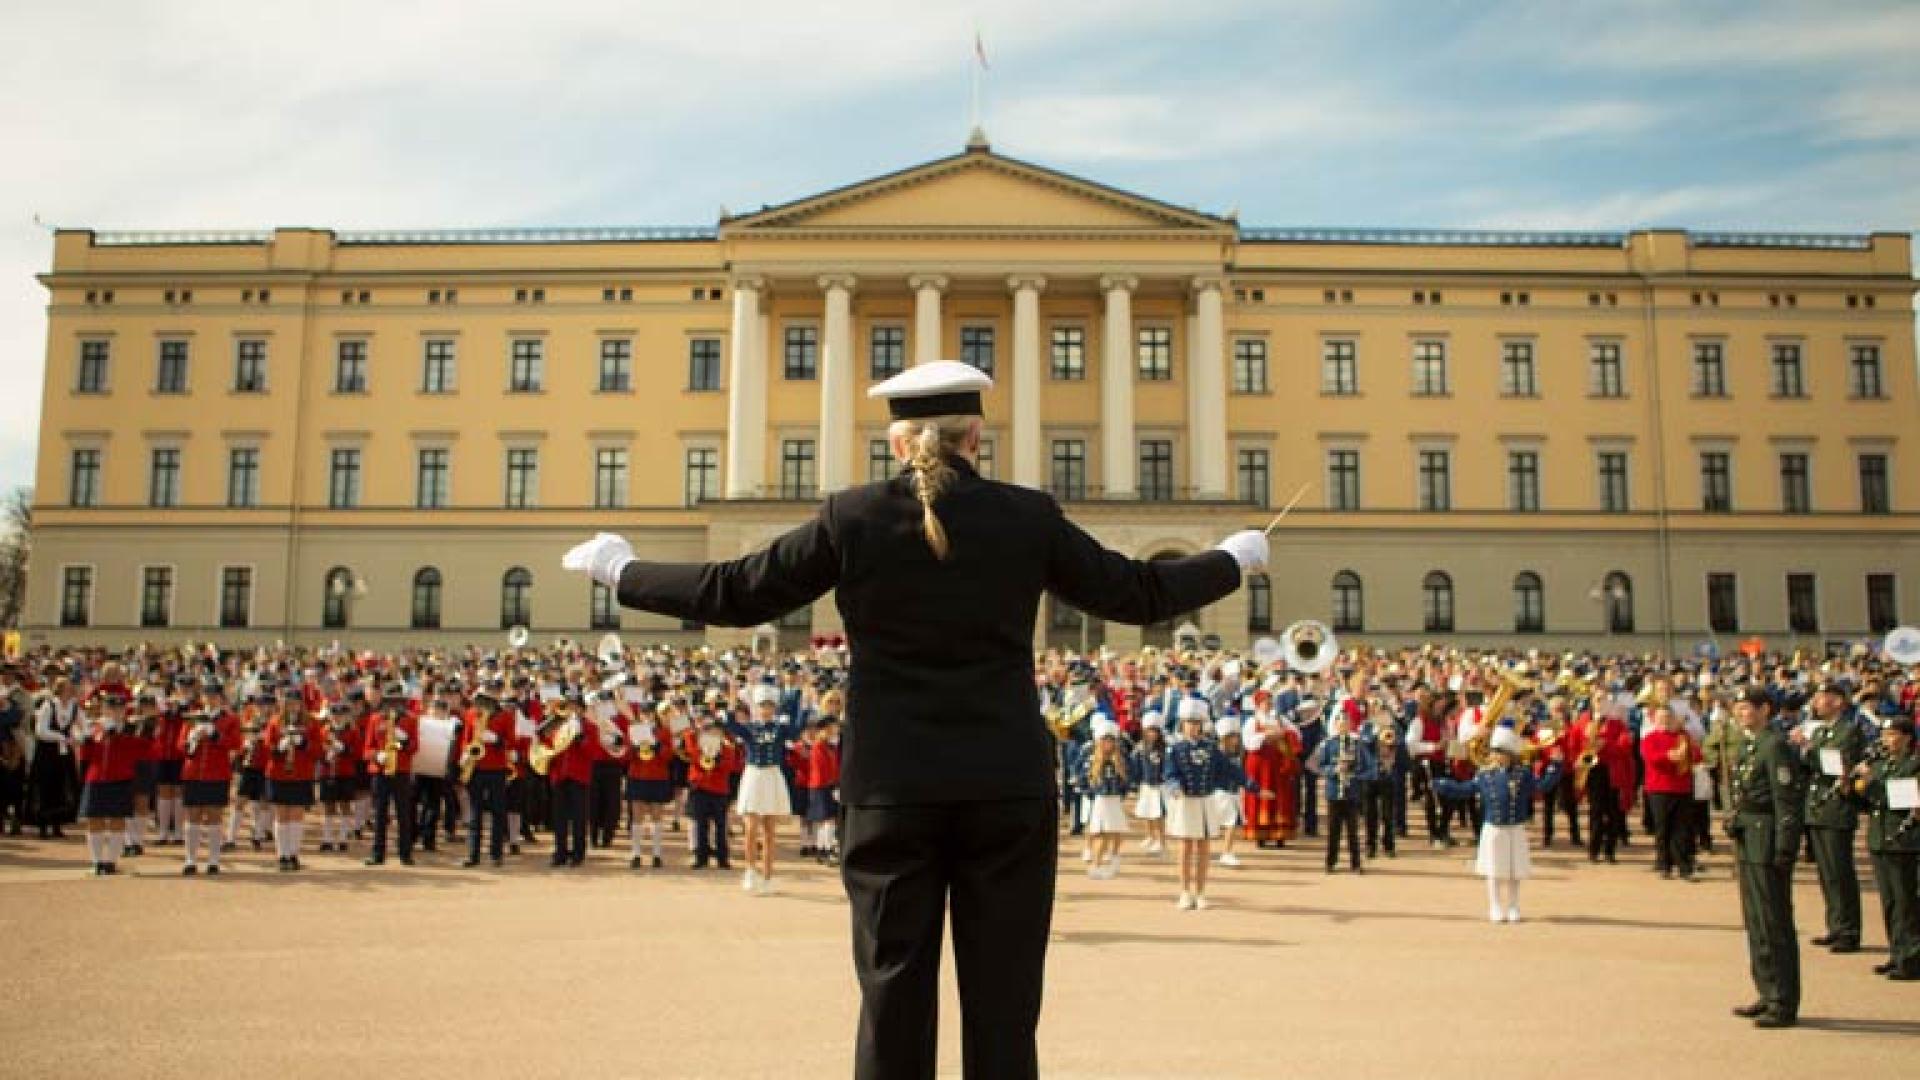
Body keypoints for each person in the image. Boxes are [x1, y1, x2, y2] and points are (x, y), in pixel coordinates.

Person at [562, 360, 1259, 1080]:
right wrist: (1231, 561)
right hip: (1005, 787)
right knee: (1003, 1010)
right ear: (976, 437)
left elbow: (735, 592)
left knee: (892, 1001)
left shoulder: (851, 517)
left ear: (896, 443)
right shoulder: (1027, 516)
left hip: (891, 791)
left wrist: (624, 572)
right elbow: (1139, 592)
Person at [1726, 686, 1806, 1029]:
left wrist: (1786, 846)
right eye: (1738, 707)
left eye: (1747, 707)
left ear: (1765, 710)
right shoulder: (1750, 744)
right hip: (1750, 838)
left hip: (1768, 840)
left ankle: (1783, 1000)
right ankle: (1767, 989)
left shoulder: (1774, 746)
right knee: (1756, 921)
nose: (1741, 713)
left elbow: (1785, 801)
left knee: (1774, 922)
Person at [1433, 726, 1537, 922]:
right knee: (1494, 870)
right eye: (1495, 752)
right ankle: (1495, 906)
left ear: (1510, 754)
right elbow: (1466, 789)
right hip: (1494, 828)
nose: (1497, 756)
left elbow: (1540, 786)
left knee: (1515, 871)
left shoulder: (1523, 774)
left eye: (1501, 752)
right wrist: (1443, 785)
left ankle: (1513, 905)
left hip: (1515, 827)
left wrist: (1555, 767)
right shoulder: (1485, 775)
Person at [1794, 681, 1866, 954]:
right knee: (1826, 873)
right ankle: (1836, 925)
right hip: (1818, 808)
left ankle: (1848, 930)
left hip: (1837, 808)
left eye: (1822, 697)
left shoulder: (1848, 731)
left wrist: (1808, 747)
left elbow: (1836, 765)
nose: (1817, 702)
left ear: (1838, 701)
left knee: (1840, 872)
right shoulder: (1822, 731)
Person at [1850, 711, 1919, 980]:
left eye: (1892, 735)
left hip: (1903, 840)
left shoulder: (1912, 765)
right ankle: (1896, 952)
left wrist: (1871, 782)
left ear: (1907, 738)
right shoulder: (1880, 765)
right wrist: (1854, 785)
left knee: (1905, 902)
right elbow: (1866, 802)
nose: (1887, 740)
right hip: (1880, 838)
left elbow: (1902, 799)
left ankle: (1910, 958)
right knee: (1889, 902)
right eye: (1885, 735)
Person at [728, 682, 804, 895]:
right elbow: (731, 725)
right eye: (762, 705)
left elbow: (796, 731)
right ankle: (750, 871)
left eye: (770, 705)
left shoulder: (780, 728)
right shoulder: (750, 728)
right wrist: (732, 699)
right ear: (756, 707)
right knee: (751, 828)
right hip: (754, 775)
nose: (766, 709)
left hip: (772, 776)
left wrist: (805, 704)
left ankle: (768, 876)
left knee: (769, 831)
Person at [1641, 705, 1701, 880]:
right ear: (1654, 720)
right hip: (1659, 789)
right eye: (1661, 718)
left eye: (1668, 717)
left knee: (1682, 829)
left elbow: (1698, 756)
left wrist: (1687, 750)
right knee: (1662, 829)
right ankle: (1664, 865)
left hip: (1682, 788)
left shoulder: (1683, 737)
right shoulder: (1649, 738)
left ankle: (1684, 867)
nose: (1665, 721)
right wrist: (1669, 755)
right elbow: (1651, 758)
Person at [363, 683, 419, 867]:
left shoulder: (410, 720)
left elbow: (414, 747)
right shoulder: (375, 719)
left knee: (404, 813)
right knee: (380, 814)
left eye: (398, 702)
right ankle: (377, 853)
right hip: (381, 771)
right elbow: (367, 749)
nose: (394, 705)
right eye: (390, 701)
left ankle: (405, 853)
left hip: (401, 771)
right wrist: (377, 755)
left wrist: (404, 740)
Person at [1316, 712, 1375, 874]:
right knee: (1333, 831)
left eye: (1346, 723)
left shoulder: (1357, 744)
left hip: (1352, 793)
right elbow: (1320, 766)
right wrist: (1334, 769)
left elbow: (1369, 767)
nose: (1343, 726)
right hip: (1334, 792)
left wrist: (1355, 775)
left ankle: (1356, 864)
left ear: (1350, 725)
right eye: (1340, 724)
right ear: (1336, 725)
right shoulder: (1328, 744)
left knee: (1353, 831)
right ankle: (1330, 862)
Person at [1079, 719, 1131, 880]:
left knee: (1116, 831)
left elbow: (1126, 780)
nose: (1108, 743)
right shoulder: (1092, 760)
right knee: (1100, 834)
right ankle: (1096, 864)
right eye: (1105, 739)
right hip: (1100, 801)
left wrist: (1122, 793)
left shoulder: (1120, 759)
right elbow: (1083, 780)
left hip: (1114, 800)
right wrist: (1090, 793)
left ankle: (1114, 858)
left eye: (1111, 739)